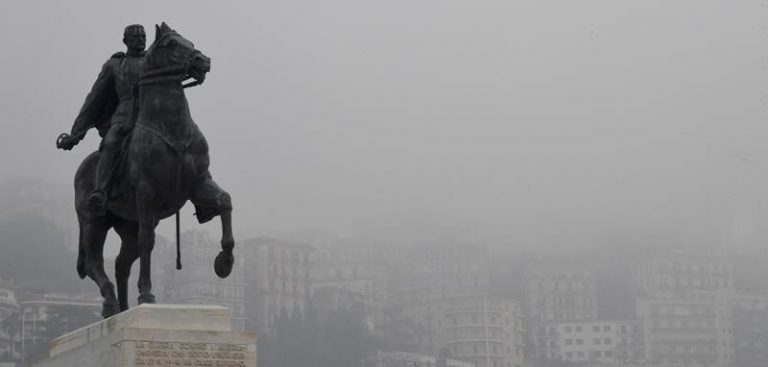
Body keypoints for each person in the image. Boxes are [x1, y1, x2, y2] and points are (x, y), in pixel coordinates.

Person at [58, 24, 146, 213]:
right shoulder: (114, 66)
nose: (140, 40)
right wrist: (76, 134)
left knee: (185, 137)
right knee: (112, 142)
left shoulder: (154, 60)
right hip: (125, 115)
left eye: (143, 36)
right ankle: (101, 191)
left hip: (153, 114)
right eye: (135, 37)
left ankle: (201, 196)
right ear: (125, 41)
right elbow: (94, 99)